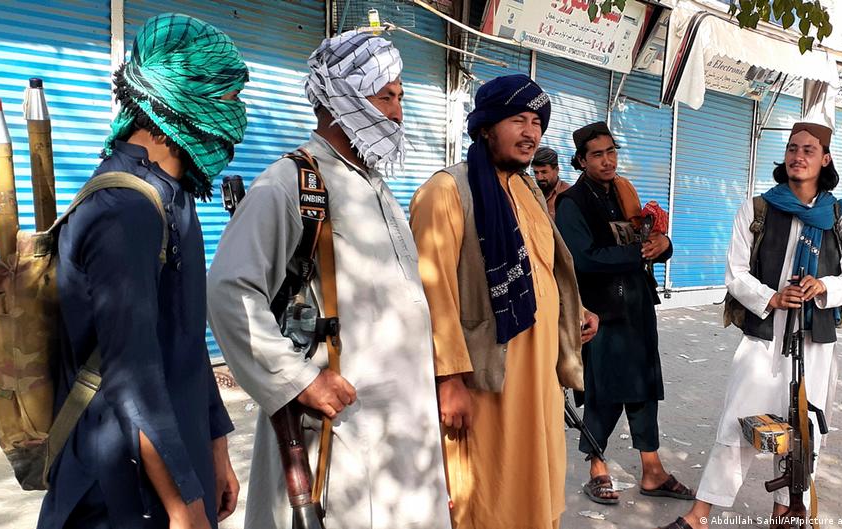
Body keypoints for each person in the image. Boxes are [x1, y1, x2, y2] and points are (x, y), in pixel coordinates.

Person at [206, 30, 452, 529]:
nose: (397, 113)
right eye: (385, 96)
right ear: (341, 97)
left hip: (404, 433)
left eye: (400, 97)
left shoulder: (376, 185)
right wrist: (300, 381)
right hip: (341, 437)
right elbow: (230, 293)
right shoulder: (289, 183)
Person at [37, 13, 248, 529]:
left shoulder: (174, 198)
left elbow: (185, 341)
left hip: (177, 468)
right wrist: (183, 505)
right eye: (225, 99)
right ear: (177, 98)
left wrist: (216, 452)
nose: (236, 115)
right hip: (118, 493)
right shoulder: (122, 210)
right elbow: (132, 378)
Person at [409, 74, 597, 529]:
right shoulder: (448, 191)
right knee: (490, 493)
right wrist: (448, 380)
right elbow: (433, 295)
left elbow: (546, 270)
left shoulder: (527, 189)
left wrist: (574, 315)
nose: (531, 133)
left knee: (538, 483)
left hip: (539, 375)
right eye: (518, 120)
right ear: (486, 125)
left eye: (536, 122)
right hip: (487, 378)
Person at [659, 122, 842, 529]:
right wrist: (772, 297)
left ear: (824, 160)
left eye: (809, 150)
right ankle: (700, 516)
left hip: (815, 341)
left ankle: (785, 515)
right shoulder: (758, 207)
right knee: (738, 421)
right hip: (764, 337)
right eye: (792, 148)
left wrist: (822, 285)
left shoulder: (839, 214)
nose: (798, 156)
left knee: (805, 433)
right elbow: (735, 273)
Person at [554, 121, 691, 506]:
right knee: (604, 391)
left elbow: (643, 237)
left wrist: (662, 244)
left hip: (638, 305)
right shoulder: (572, 203)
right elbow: (581, 258)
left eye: (611, 151)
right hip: (601, 312)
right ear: (581, 161)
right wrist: (637, 253)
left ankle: (652, 471)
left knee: (646, 386)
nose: (607, 160)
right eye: (597, 154)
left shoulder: (624, 191)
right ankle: (597, 467)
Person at [532, 146, 570, 218]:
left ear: (556, 170)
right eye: (536, 172)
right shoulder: (533, 194)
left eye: (544, 172)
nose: (539, 178)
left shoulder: (567, 194)